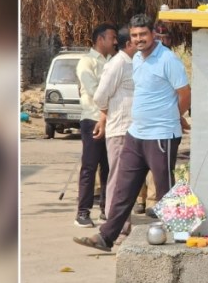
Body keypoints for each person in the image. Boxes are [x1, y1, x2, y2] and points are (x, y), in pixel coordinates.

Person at [73, 14, 191, 252]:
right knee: (123, 187)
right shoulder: (136, 59)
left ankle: (182, 232)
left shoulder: (168, 60)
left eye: (143, 34)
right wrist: (105, 116)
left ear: (153, 34)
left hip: (161, 134)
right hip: (135, 133)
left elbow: (185, 94)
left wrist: (171, 116)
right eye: (135, 35)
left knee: (164, 185)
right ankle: (107, 237)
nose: (139, 39)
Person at [74, 23, 117, 227]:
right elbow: (95, 91)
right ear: (101, 39)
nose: (115, 42)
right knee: (89, 167)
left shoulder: (114, 61)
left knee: (108, 168)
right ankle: (82, 212)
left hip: (111, 120)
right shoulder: (87, 62)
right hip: (92, 119)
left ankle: (106, 210)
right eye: (112, 38)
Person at [92, 27, 135, 221]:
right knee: (117, 179)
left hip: (134, 130)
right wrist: (107, 113)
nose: (142, 42)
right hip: (119, 129)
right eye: (136, 38)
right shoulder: (118, 63)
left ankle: (120, 225)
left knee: (127, 181)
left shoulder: (133, 63)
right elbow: (100, 96)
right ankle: (113, 228)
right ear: (128, 43)